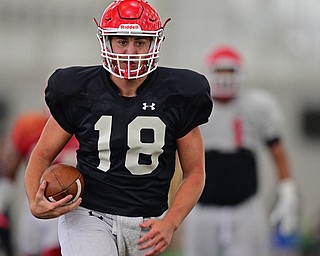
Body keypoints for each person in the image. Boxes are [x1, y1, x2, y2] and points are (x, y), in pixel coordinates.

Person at [24, 1, 213, 256]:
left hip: (148, 221)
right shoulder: (78, 89)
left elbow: (195, 172)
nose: (130, 51)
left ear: (154, 43)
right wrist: (34, 201)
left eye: (140, 42)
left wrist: (171, 221)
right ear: (107, 42)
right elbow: (42, 154)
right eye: (122, 41)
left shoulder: (179, 93)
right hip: (89, 215)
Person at [183, 45, 299, 256]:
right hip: (201, 206)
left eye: (230, 71)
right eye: (220, 71)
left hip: (245, 205)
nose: (225, 77)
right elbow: (174, 157)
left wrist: (287, 190)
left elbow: (278, 152)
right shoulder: (193, 106)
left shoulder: (258, 106)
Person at [0, 111, 78, 256]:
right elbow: (10, 172)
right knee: (28, 249)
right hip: (33, 198)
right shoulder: (30, 125)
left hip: (65, 204)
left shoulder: (83, 123)